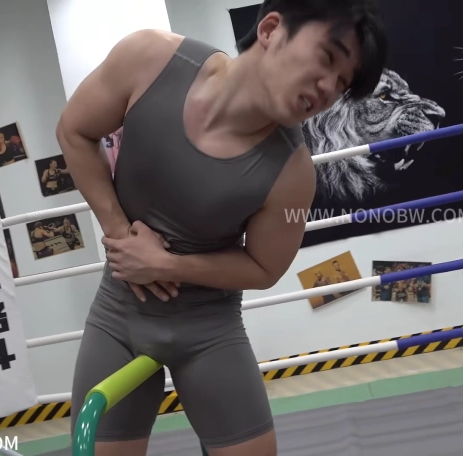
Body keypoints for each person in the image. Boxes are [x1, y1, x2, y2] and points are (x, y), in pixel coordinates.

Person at [56, 1, 387, 454]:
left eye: (342, 84)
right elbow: (74, 131)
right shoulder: (148, 59)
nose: (328, 88)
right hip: (120, 315)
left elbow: (263, 268)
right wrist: (118, 231)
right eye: (327, 58)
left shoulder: (293, 171)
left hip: (208, 330)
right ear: (271, 29)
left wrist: (166, 264)